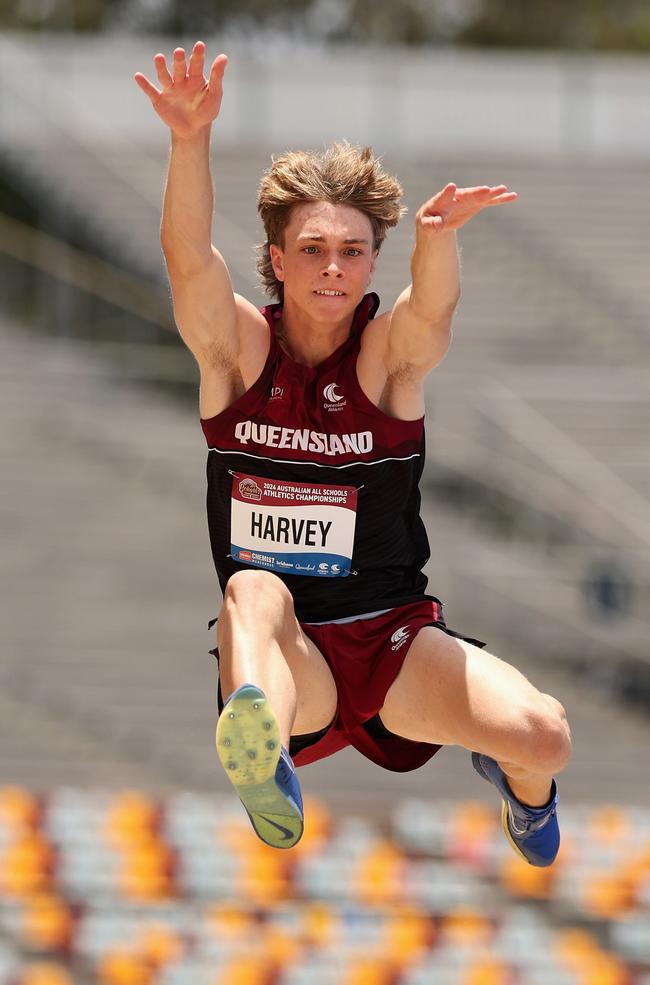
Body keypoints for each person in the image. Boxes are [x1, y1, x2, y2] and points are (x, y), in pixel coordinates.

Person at [135, 42, 572, 862]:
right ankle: (262, 758)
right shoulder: (236, 355)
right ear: (276, 260)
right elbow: (187, 261)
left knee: (546, 735)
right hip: (288, 656)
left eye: (351, 251)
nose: (332, 268)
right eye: (311, 249)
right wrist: (188, 139)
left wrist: (436, 240)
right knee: (255, 590)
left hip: (394, 641)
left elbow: (429, 319)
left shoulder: (381, 360)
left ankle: (523, 789)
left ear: (372, 261)